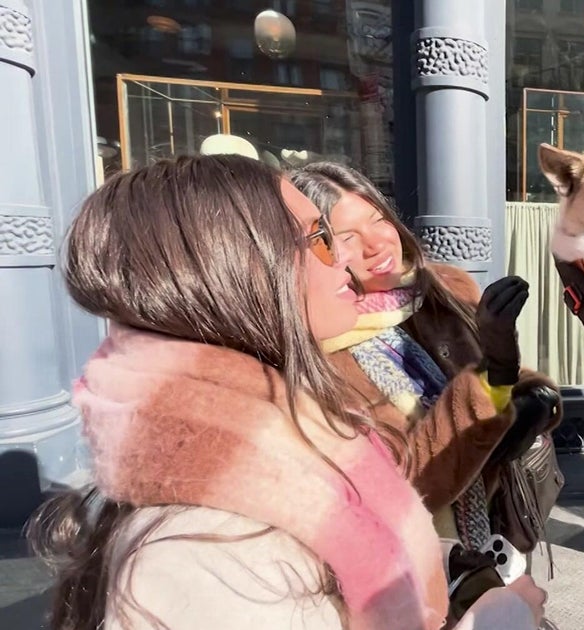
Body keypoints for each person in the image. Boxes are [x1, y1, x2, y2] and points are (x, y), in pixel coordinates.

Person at [29, 155, 546, 629]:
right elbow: (399, 482)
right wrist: (498, 620)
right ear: (239, 272)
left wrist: (517, 394)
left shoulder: (435, 297)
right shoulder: (212, 535)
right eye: (325, 237)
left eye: (378, 220)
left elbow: (352, 537)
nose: (349, 255)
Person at [288, 162, 560, 552]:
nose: (377, 244)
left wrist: (532, 394)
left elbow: (488, 371)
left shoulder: (444, 287)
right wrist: (495, 374)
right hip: (428, 554)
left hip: (499, 521)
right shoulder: (323, 348)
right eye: (347, 236)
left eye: (378, 219)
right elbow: (407, 483)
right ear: (315, 250)